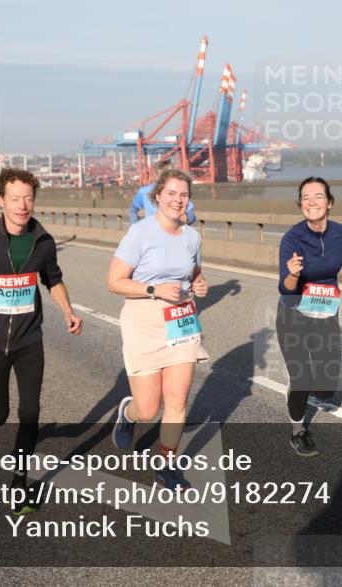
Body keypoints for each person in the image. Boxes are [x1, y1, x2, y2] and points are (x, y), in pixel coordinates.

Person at [0, 168, 83, 516]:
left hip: (28, 340)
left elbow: (53, 279)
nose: (22, 205)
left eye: (28, 198)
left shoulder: (43, 241)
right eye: (15, 198)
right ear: (0, 201)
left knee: (30, 412)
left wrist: (67, 310)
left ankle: (19, 482)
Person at [108, 168, 208, 490]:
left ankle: (166, 466)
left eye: (184, 195)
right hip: (144, 321)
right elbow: (114, 281)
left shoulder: (192, 237)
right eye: (171, 193)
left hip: (180, 320)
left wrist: (199, 284)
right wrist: (154, 289)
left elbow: (194, 274)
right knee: (148, 408)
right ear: (158, 196)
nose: (178, 200)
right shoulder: (140, 233)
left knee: (177, 399)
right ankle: (128, 413)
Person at [277, 177, 342, 457]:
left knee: (325, 388)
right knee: (302, 379)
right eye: (305, 197)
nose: (311, 202)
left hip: (326, 313)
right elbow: (285, 288)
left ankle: (302, 386)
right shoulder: (292, 238)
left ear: (329, 202)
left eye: (318, 196)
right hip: (293, 314)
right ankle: (298, 431)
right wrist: (293, 274)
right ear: (300, 205)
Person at [129, 160, 197, 225]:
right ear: (156, 175)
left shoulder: (178, 190)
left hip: (172, 230)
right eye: (162, 175)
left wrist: (187, 219)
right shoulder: (144, 191)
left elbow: (191, 215)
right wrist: (136, 225)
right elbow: (133, 209)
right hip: (152, 230)